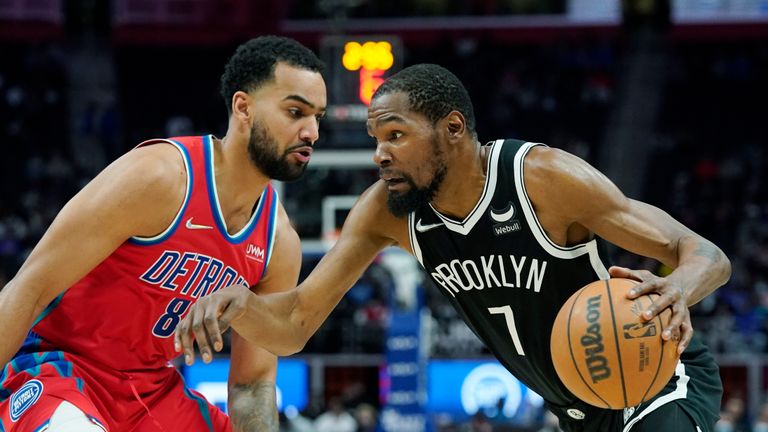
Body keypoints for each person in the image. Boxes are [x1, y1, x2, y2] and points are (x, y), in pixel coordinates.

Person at [175, 64, 730, 431]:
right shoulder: (386, 212)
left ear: (453, 128)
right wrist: (241, 305)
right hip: (578, 409)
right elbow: (295, 324)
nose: (380, 155)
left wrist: (678, 288)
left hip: (655, 381)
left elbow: (701, 250)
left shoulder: (542, 179)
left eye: (396, 135)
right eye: (375, 140)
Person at [0, 35, 326, 431]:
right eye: (296, 112)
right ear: (243, 108)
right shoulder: (160, 177)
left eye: (317, 118)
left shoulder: (279, 243)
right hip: (61, 370)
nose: (311, 132)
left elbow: (252, 382)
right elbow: (27, 289)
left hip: (152, 392)